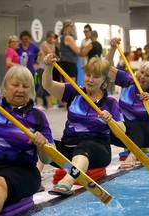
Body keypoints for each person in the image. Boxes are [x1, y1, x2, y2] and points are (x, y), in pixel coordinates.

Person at [42, 53, 125, 196]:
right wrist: (48, 66)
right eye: (88, 75)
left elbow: (122, 130)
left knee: (84, 146)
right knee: (42, 143)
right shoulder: (74, 91)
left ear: (104, 79)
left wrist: (110, 121)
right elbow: (47, 85)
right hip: (68, 148)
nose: (90, 80)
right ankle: (35, 180)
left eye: (95, 76)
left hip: (97, 151)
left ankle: (67, 182)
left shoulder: (110, 102)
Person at [0, 65, 55, 215]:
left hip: (21, 171)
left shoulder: (37, 116)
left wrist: (42, 145)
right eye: (15, 85)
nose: (20, 90)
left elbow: (48, 159)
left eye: (25, 86)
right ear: (5, 87)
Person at [106, 38, 149, 169]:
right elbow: (105, 68)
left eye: (147, 75)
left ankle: (132, 156)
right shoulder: (127, 81)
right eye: (142, 72)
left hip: (148, 135)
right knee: (103, 127)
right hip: (127, 132)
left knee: (138, 124)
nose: (142, 77)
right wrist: (113, 48)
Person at [35, 31, 56, 110]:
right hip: (41, 68)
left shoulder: (51, 45)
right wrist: (54, 44)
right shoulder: (44, 44)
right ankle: (38, 104)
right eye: (50, 37)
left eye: (53, 37)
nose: (52, 39)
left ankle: (49, 104)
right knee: (42, 85)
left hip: (46, 68)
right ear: (47, 37)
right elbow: (51, 53)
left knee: (47, 85)